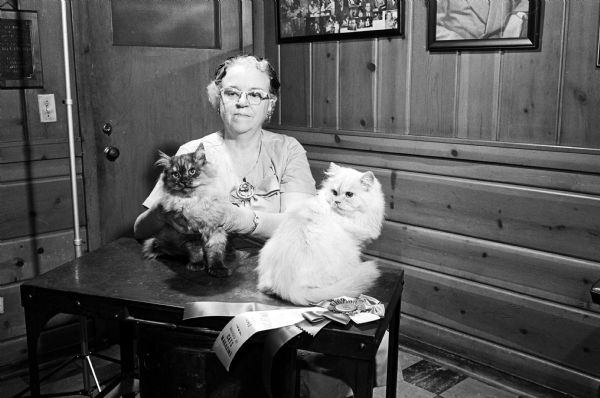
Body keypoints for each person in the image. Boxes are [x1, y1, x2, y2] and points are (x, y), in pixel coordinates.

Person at [134, 55, 316, 244]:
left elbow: (301, 225)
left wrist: (239, 219)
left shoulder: (288, 150)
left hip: (273, 263)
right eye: (232, 93)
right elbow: (140, 230)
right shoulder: (191, 153)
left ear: (269, 104)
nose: (242, 102)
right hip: (209, 266)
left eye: (255, 94)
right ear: (217, 99)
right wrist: (164, 212)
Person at [436, 0, 529, 40]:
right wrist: (457, 44)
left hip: (506, 54)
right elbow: (430, 26)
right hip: (461, 57)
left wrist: (518, 14)